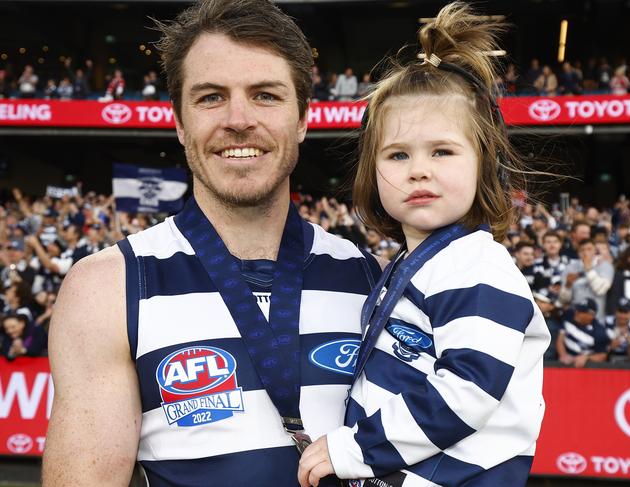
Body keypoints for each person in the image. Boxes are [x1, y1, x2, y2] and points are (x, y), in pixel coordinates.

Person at [43, 1, 381, 486]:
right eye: (210, 97)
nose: (238, 119)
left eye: (265, 95)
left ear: (303, 119)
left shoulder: (369, 277)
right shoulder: (108, 287)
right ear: (180, 123)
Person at [298, 3, 550, 486]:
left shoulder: (478, 265)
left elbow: (468, 391)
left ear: (484, 162)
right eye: (397, 154)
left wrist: (354, 449)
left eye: (442, 151)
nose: (418, 169)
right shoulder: (419, 261)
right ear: (373, 174)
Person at [556, 298, 609, 367]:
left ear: (591, 315)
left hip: (586, 368)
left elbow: (602, 356)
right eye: (577, 309)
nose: (576, 312)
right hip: (563, 364)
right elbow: (560, 339)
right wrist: (563, 354)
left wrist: (587, 358)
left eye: (581, 311)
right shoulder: (568, 316)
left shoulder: (599, 331)